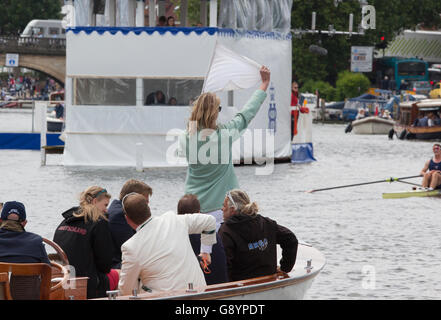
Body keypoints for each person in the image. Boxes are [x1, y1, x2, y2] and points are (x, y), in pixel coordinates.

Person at [179, 66, 270, 231]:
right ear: (214, 113)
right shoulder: (224, 135)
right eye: (218, 109)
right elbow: (246, 113)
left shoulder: (185, 137)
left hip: (193, 208)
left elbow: (194, 129)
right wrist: (264, 83)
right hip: (221, 209)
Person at [118, 193, 216, 295]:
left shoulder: (131, 247)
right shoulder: (173, 219)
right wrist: (205, 252)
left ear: (127, 219)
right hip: (199, 293)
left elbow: (127, 290)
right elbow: (210, 221)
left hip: (166, 297)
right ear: (148, 208)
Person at [219, 189, 298, 282]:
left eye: (224, 206)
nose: (222, 209)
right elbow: (290, 239)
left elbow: (224, 264)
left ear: (232, 210)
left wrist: (228, 287)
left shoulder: (226, 231)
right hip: (269, 281)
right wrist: (285, 268)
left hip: (241, 287)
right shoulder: (266, 223)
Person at [53, 186, 117, 299]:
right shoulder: (99, 223)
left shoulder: (66, 221)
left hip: (64, 280)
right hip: (90, 285)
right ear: (95, 201)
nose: (106, 210)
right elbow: (105, 265)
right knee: (123, 274)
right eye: (105, 205)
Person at [177, 194, 228, 285]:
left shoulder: (179, 238)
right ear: (199, 212)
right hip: (221, 285)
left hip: (199, 289)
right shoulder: (214, 235)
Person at [108, 179, 153, 269]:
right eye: (145, 201)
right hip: (118, 265)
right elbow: (132, 247)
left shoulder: (117, 208)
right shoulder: (120, 215)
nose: (147, 205)